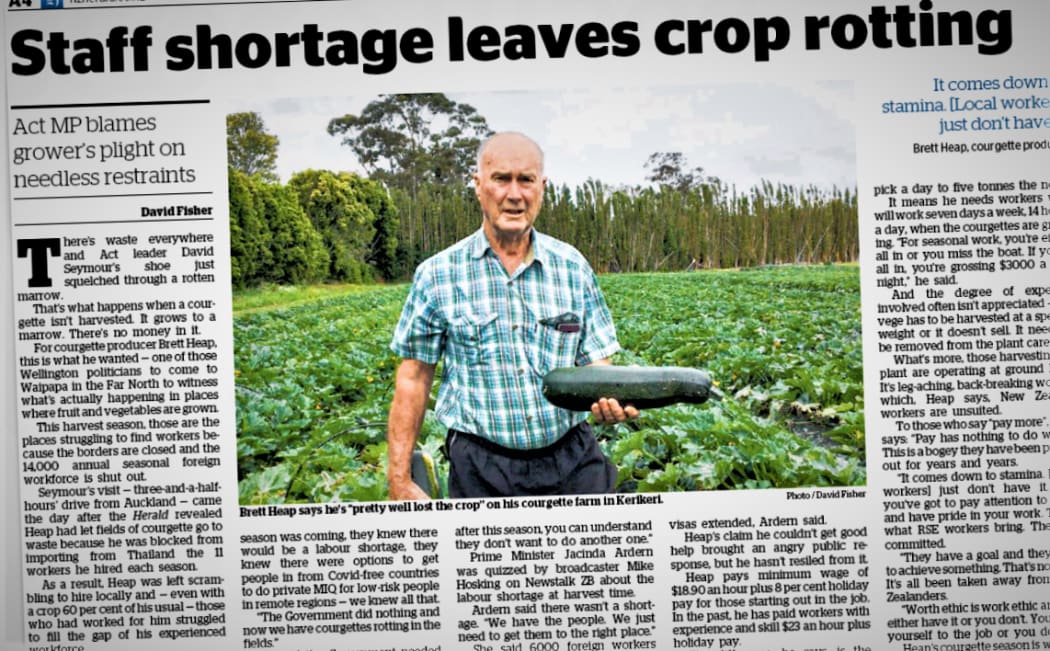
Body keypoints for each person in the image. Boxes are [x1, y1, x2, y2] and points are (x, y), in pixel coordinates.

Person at [386, 131, 637, 500]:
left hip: (572, 455)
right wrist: (400, 479)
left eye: (526, 180)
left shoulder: (573, 266)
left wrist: (608, 397)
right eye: (501, 179)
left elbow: (597, 360)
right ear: (477, 185)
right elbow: (413, 379)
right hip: (480, 466)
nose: (514, 194)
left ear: (542, 187)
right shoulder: (437, 274)